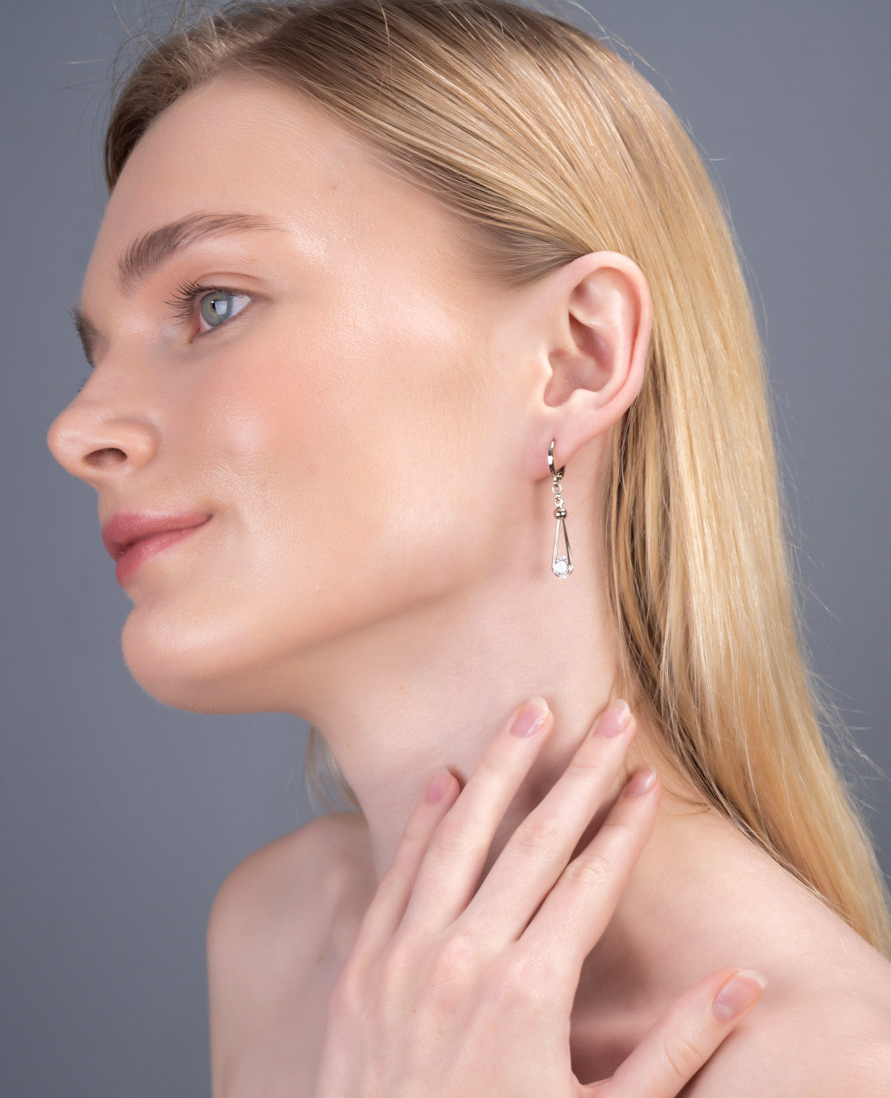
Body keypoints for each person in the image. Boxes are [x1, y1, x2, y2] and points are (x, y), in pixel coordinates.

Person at [47, 0, 891, 1094]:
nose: (77, 431)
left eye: (214, 303)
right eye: (99, 352)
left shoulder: (831, 1064)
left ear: (576, 357)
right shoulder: (280, 938)